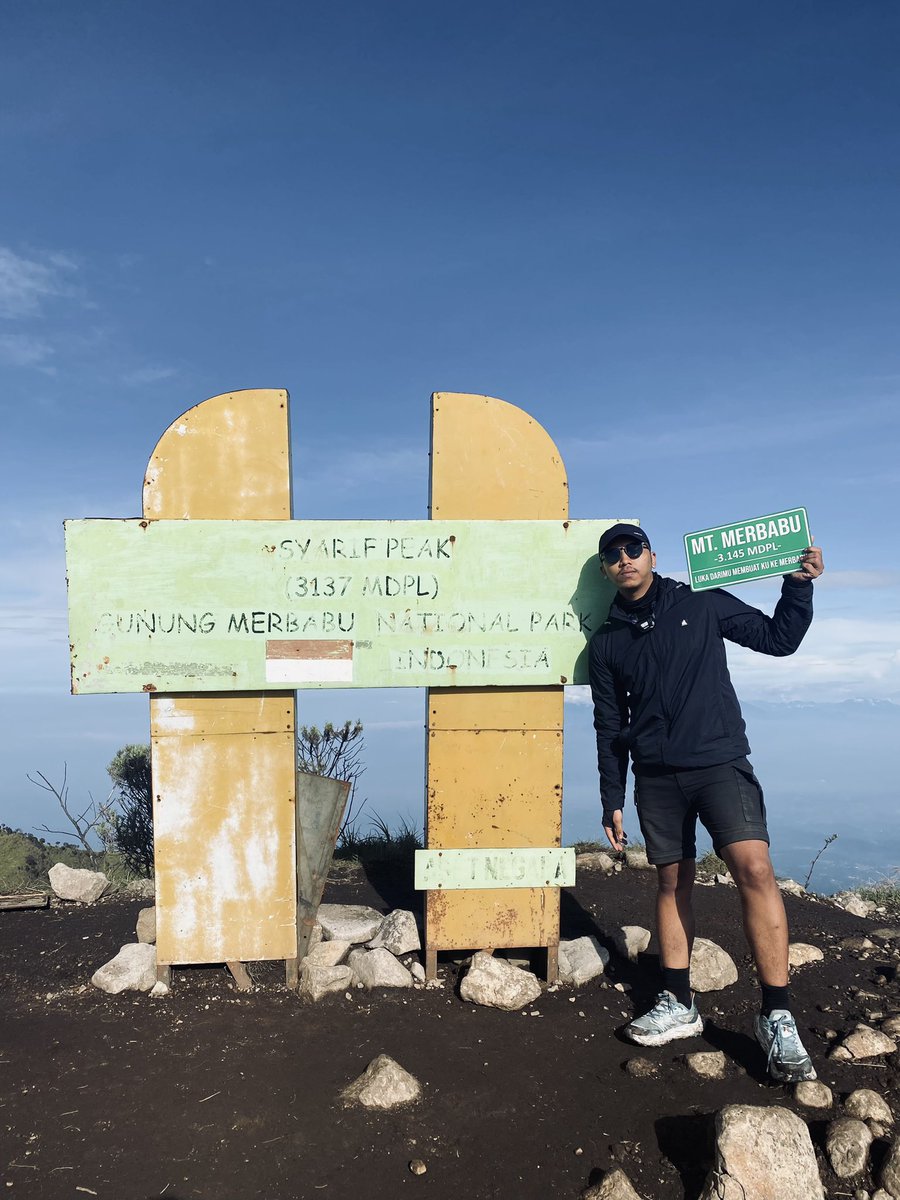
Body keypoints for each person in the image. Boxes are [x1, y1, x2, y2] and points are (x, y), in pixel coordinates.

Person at [588, 522, 824, 1082]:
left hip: (719, 762)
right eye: (613, 554)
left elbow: (778, 639)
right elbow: (609, 725)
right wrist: (611, 794)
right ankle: (678, 1001)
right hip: (655, 775)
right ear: (605, 569)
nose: (625, 559)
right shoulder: (607, 642)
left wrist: (798, 586)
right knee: (672, 881)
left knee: (755, 869)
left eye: (633, 549)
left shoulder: (702, 603)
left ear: (651, 555)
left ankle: (777, 1013)